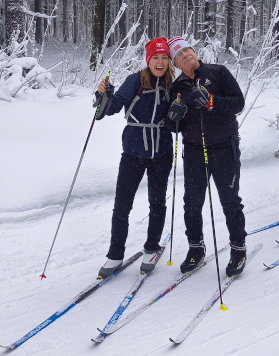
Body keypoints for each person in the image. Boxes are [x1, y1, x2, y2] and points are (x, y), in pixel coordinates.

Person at [165, 36, 248, 277]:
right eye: (179, 55)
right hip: (193, 150)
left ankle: (238, 249)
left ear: (195, 52)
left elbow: (238, 103)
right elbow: (173, 127)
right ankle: (196, 248)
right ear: (176, 64)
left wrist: (212, 102)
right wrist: (174, 117)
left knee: (230, 202)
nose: (185, 55)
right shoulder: (177, 87)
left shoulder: (218, 72)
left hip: (224, 147)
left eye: (188, 50)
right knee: (192, 204)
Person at [96, 37, 175, 278]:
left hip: (161, 152)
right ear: (148, 60)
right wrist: (104, 95)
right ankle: (115, 255)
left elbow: (179, 118)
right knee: (122, 205)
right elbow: (108, 110)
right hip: (133, 152)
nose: (160, 62)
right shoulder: (135, 81)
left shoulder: (173, 84)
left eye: (164, 58)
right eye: (155, 58)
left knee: (157, 202)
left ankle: (151, 248)